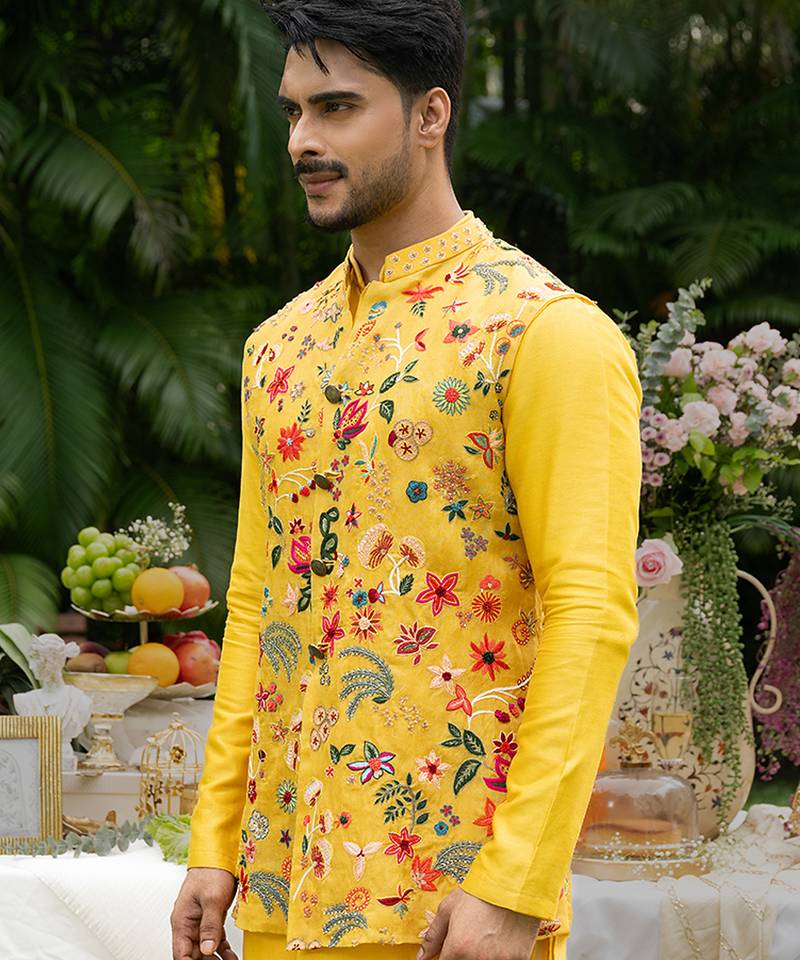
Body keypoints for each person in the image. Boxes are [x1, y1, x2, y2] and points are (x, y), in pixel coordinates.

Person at [170, 2, 643, 959]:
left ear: (431, 114)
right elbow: (258, 604)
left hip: (451, 905)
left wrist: (515, 883)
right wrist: (215, 843)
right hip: (278, 889)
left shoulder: (545, 334)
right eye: (294, 110)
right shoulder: (279, 348)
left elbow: (589, 614)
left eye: (338, 107)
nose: (303, 140)